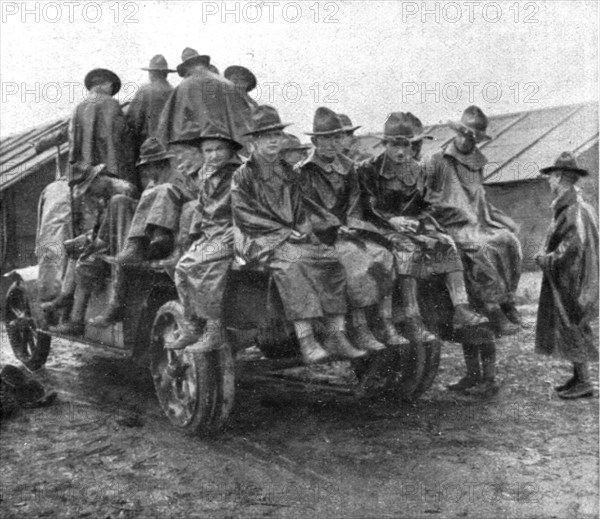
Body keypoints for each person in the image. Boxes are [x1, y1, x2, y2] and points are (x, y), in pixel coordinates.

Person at [231, 105, 365, 364]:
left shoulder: (288, 172)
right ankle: (307, 340)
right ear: (255, 141)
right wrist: (283, 232)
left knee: (329, 260)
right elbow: (244, 215)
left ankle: (336, 334)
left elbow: (300, 207)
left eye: (276, 135)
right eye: (266, 136)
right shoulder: (243, 175)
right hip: (257, 240)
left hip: (290, 237)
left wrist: (303, 229)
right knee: (292, 265)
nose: (272, 141)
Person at [357, 112, 488, 346]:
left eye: (406, 145)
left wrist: (418, 220)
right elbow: (367, 208)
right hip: (378, 230)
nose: (400, 152)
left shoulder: (418, 170)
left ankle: (461, 307)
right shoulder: (368, 170)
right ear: (385, 143)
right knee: (408, 251)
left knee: (445, 243)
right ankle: (412, 319)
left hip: (410, 228)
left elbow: (429, 205)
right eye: (394, 145)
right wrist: (393, 221)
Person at [297, 107, 402, 352]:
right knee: (353, 264)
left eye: (336, 138)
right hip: (319, 236)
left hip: (346, 232)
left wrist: (352, 225)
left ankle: (384, 322)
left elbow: (355, 203)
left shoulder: (349, 168)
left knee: (384, 255)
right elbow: (305, 208)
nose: (332, 144)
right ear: (314, 141)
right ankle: (358, 327)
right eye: (325, 139)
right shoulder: (303, 172)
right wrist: (333, 226)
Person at [425, 105, 522, 336]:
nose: (468, 142)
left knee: (509, 241)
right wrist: (451, 212)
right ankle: (492, 307)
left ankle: (507, 300)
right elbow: (426, 199)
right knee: (481, 249)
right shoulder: (437, 161)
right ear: (457, 133)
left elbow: (481, 200)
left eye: (473, 139)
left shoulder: (476, 164)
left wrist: (502, 218)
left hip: (477, 222)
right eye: (465, 135)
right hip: (450, 223)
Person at [169, 126, 244, 351]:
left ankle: (214, 331)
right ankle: (192, 325)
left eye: (219, 149)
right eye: (208, 150)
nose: (213, 155)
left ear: (230, 150)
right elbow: (203, 208)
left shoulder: (240, 172)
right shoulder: (208, 174)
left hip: (235, 230)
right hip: (214, 232)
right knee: (181, 268)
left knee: (207, 268)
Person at [535, 152, 598, 399]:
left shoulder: (573, 208)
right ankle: (578, 377)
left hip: (573, 280)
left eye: (551, 177)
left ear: (560, 177)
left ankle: (584, 382)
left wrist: (547, 259)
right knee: (571, 325)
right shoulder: (572, 206)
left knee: (573, 326)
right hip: (573, 278)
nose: (549, 182)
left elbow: (573, 246)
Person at [48, 165, 138, 335]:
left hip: (121, 242)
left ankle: (76, 321)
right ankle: (66, 296)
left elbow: (121, 229)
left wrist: (93, 245)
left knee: (86, 264)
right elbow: (101, 227)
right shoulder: (105, 193)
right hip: (108, 238)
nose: (90, 194)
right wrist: (87, 240)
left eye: (89, 189)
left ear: (98, 179)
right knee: (72, 247)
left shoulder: (123, 192)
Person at [157, 48, 254, 180]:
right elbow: (246, 123)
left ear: (186, 68)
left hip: (198, 161)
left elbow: (166, 129)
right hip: (233, 156)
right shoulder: (228, 85)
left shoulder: (183, 88)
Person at [69, 68, 136, 186]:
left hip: (83, 173)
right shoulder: (112, 104)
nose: (111, 92)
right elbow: (123, 136)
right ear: (107, 84)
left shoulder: (78, 108)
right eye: (112, 88)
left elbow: (71, 138)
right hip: (110, 169)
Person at [126, 55, 175, 163]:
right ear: (166, 74)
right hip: (171, 146)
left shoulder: (145, 91)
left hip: (149, 147)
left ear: (151, 73)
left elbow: (133, 121)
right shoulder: (174, 91)